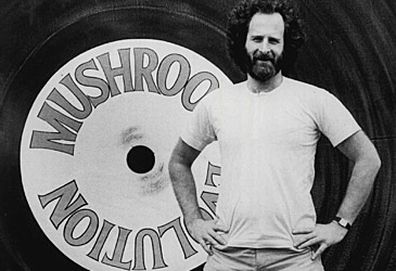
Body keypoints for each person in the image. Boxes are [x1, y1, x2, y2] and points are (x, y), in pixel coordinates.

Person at [168, 0, 381, 270]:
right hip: (227, 256)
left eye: (274, 40)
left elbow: (368, 159)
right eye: (257, 39)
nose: (265, 49)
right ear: (241, 42)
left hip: (296, 259)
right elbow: (178, 162)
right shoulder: (216, 102)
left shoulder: (315, 100)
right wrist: (194, 220)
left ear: (286, 46)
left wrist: (340, 224)